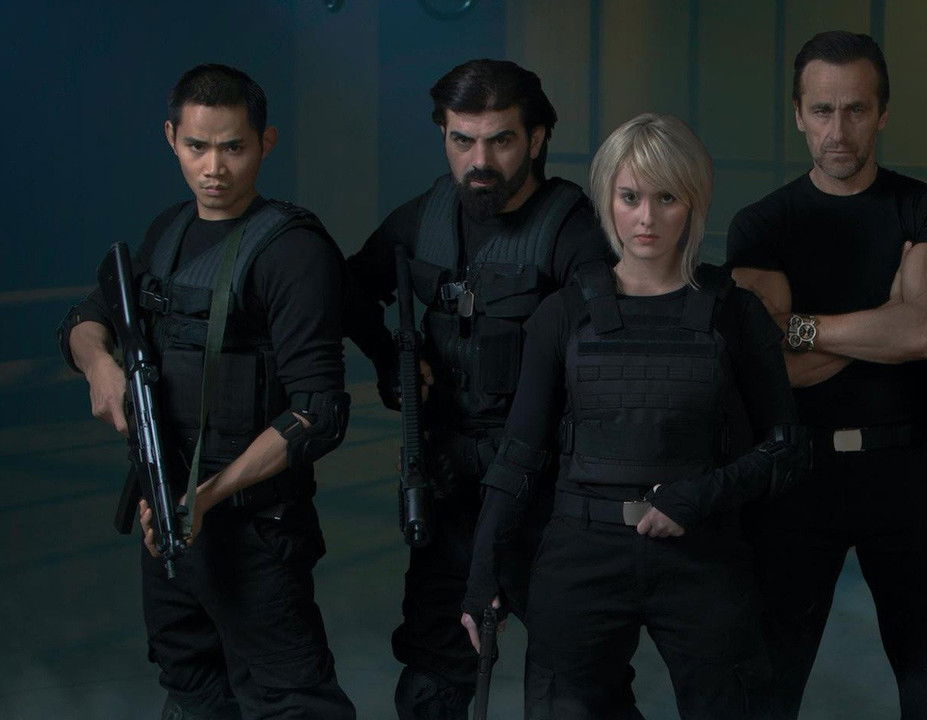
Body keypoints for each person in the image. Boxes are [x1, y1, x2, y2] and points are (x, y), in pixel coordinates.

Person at [460, 112, 807, 719]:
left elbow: (787, 449)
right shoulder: (563, 315)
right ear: (607, 200)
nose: (646, 219)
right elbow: (518, 456)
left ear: (693, 203)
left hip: (702, 554)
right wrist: (482, 574)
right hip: (581, 551)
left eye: (666, 198)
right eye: (630, 198)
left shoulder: (735, 313)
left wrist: (697, 497)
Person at [56, 64, 355, 719]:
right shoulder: (168, 232)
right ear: (171, 138)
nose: (213, 168)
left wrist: (207, 497)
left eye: (233, 147)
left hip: (252, 525)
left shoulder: (292, 252)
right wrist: (99, 364)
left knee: (291, 700)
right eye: (196, 146)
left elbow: (319, 412)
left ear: (265, 143)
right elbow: (85, 318)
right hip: (163, 509)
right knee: (190, 686)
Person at [343, 59, 612, 719]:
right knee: (431, 683)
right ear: (443, 134)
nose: (480, 161)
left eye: (501, 141)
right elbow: (344, 290)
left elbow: (611, 360)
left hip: (547, 495)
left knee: (574, 686)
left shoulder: (573, 230)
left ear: (537, 139)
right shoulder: (426, 216)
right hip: (449, 486)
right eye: (462, 140)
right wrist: (388, 358)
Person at [726, 30, 927, 719]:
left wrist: (804, 324)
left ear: (883, 113)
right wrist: (886, 316)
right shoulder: (762, 225)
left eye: (856, 109)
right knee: (765, 690)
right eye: (823, 110)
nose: (838, 131)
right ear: (799, 116)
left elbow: (922, 334)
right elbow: (772, 371)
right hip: (794, 473)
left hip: (909, 471)